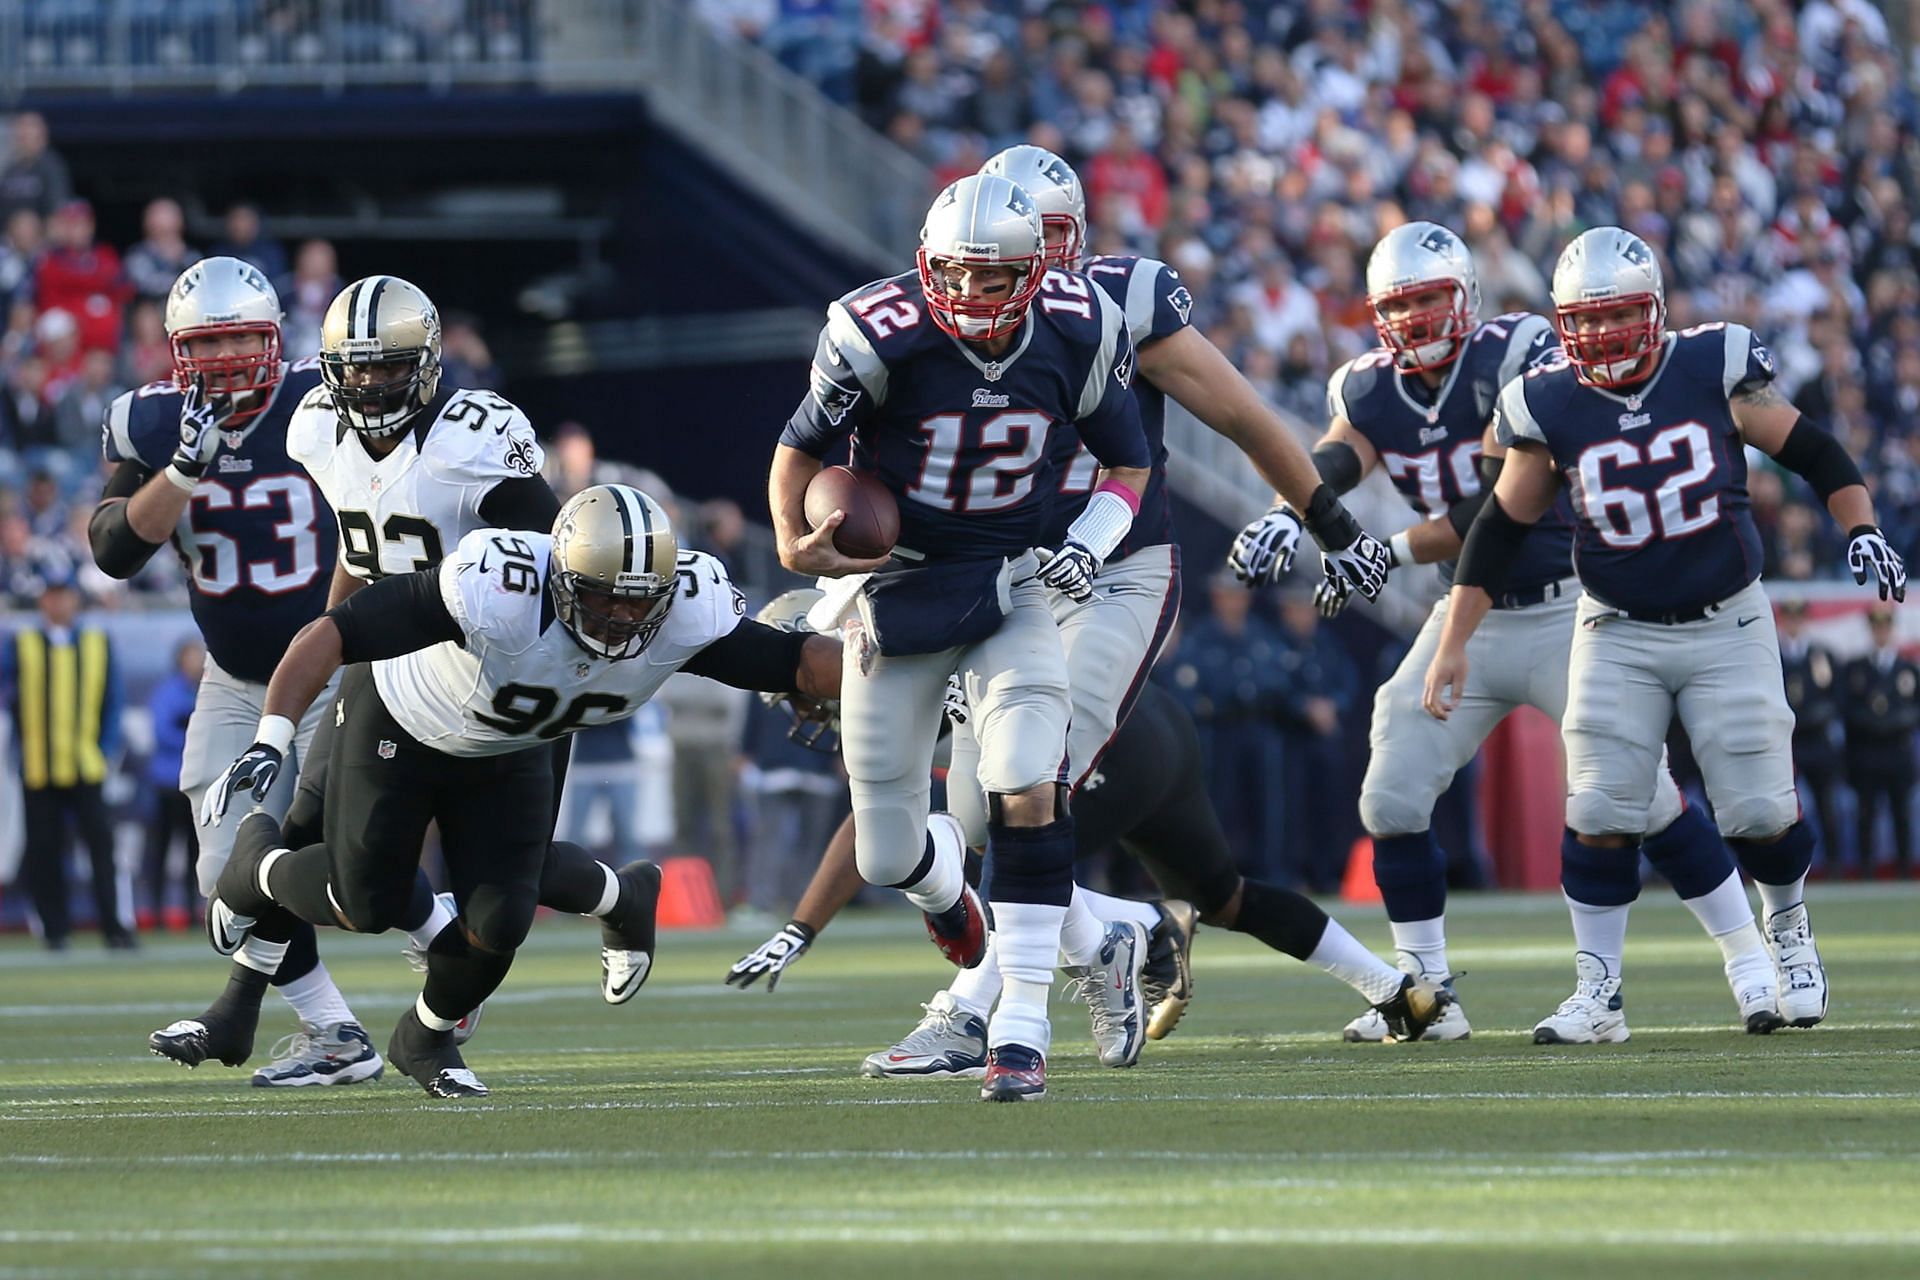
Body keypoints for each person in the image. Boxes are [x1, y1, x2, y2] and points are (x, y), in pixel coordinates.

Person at [1254, 222, 1774, 1044]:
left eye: (1429, 297)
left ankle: (1750, 961)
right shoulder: (1365, 386)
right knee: (1392, 787)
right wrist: (1290, 513)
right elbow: (1335, 461)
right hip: (1470, 618)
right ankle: (1427, 996)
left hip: (1573, 603)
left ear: (1465, 295)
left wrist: (1379, 550)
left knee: (1640, 798)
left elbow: (1490, 514)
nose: (1418, 317)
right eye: (1400, 303)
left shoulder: (1518, 355)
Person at [190, 485, 843, 1097]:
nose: (621, 616)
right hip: (404, 721)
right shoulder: (497, 587)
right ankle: (257, 865)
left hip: (511, 747)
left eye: (639, 599)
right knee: (366, 905)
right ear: (560, 578)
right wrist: (272, 735)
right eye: (601, 595)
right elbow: (335, 632)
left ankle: (426, 1038)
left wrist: (895, 679)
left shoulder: (686, 614)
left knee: (501, 921)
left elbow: (798, 663)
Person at [1425, 226, 1908, 1040]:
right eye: (1587, 320)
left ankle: (1787, 928)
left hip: (1728, 615)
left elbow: (1817, 451)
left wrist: (1861, 527)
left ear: (1654, 310)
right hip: (1616, 625)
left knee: (1758, 810)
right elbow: (1500, 529)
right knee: (1601, 802)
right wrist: (1452, 640)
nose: (1604, 335)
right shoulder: (1547, 400)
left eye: (1618, 317)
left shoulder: (1711, 365)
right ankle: (1598, 992)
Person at [771, 172, 1156, 1102]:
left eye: (997, 279)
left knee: (1027, 781)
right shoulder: (875, 332)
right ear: (926, 267)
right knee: (885, 854)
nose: (978, 297)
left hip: (1011, 579)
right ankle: (1028, 913)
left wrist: (1089, 540)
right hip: (898, 586)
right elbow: (799, 449)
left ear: (1035, 269)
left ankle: (1020, 1030)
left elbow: (1131, 458)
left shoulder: (1080, 323)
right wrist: (795, 540)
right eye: (960, 276)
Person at [728, 671, 1454, 1069]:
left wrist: (800, 929)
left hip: (1098, 741)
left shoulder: (889, 668)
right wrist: (800, 927)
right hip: (1149, 722)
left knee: (1006, 868)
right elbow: (870, 823)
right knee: (1224, 896)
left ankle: (968, 1016)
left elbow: (875, 819)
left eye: (796, 692)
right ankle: (1397, 992)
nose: (803, 712)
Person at [88, 257, 381, 1086]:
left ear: (274, 340)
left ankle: (445, 955)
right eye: (204, 345)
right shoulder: (149, 424)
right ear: (175, 350)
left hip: (330, 668)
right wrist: (183, 471)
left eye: (237, 342)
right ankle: (336, 1033)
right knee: (225, 878)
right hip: (232, 674)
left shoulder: (323, 403)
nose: (220, 362)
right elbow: (112, 549)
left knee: (328, 857)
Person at [2, 565, 129, 949]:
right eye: (52, 594)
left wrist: (105, 749)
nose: (59, 602)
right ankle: (55, 930)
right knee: (44, 852)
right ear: (42, 600)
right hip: (39, 766)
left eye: (65, 594)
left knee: (102, 851)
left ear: (75, 599)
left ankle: (115, 927)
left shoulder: (96, 642)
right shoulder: (20, 644)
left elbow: (113, 700)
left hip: (85, 763)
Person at [1845, 603, 1918, 875]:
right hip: (1868, 751)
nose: (1881, 632)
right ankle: (1866, 868)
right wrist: (1873, 723)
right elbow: (1848, 707)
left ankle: (1904, 867)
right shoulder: (1856, 668)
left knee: (1901, 812)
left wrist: (1896, 722)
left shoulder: (1906, 669)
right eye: (1876, 627)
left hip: (1897, 749)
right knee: (1866, 813)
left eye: (1885, 627)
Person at [1776, 599, 1849, 873]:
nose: (1794, 624)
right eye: (1789, 618)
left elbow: (1837, 696)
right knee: (1783, 810)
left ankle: (1835, 864)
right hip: (1787, 741)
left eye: (1799, 618)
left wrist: (1819, 715)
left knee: (1827, 805)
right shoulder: (1772, 654)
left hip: (1817, 741)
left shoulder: (1821, 655)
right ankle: (1785, 868)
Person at [142, 637, 202, 931]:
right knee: (162, 848)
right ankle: (154, 910)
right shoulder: (168, 692)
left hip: (196, 783)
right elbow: (163, 732)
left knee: (195, 850)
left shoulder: (207, 692)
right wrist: (195, 737)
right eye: (191, 656)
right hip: (168, 782)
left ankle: (192, 911)